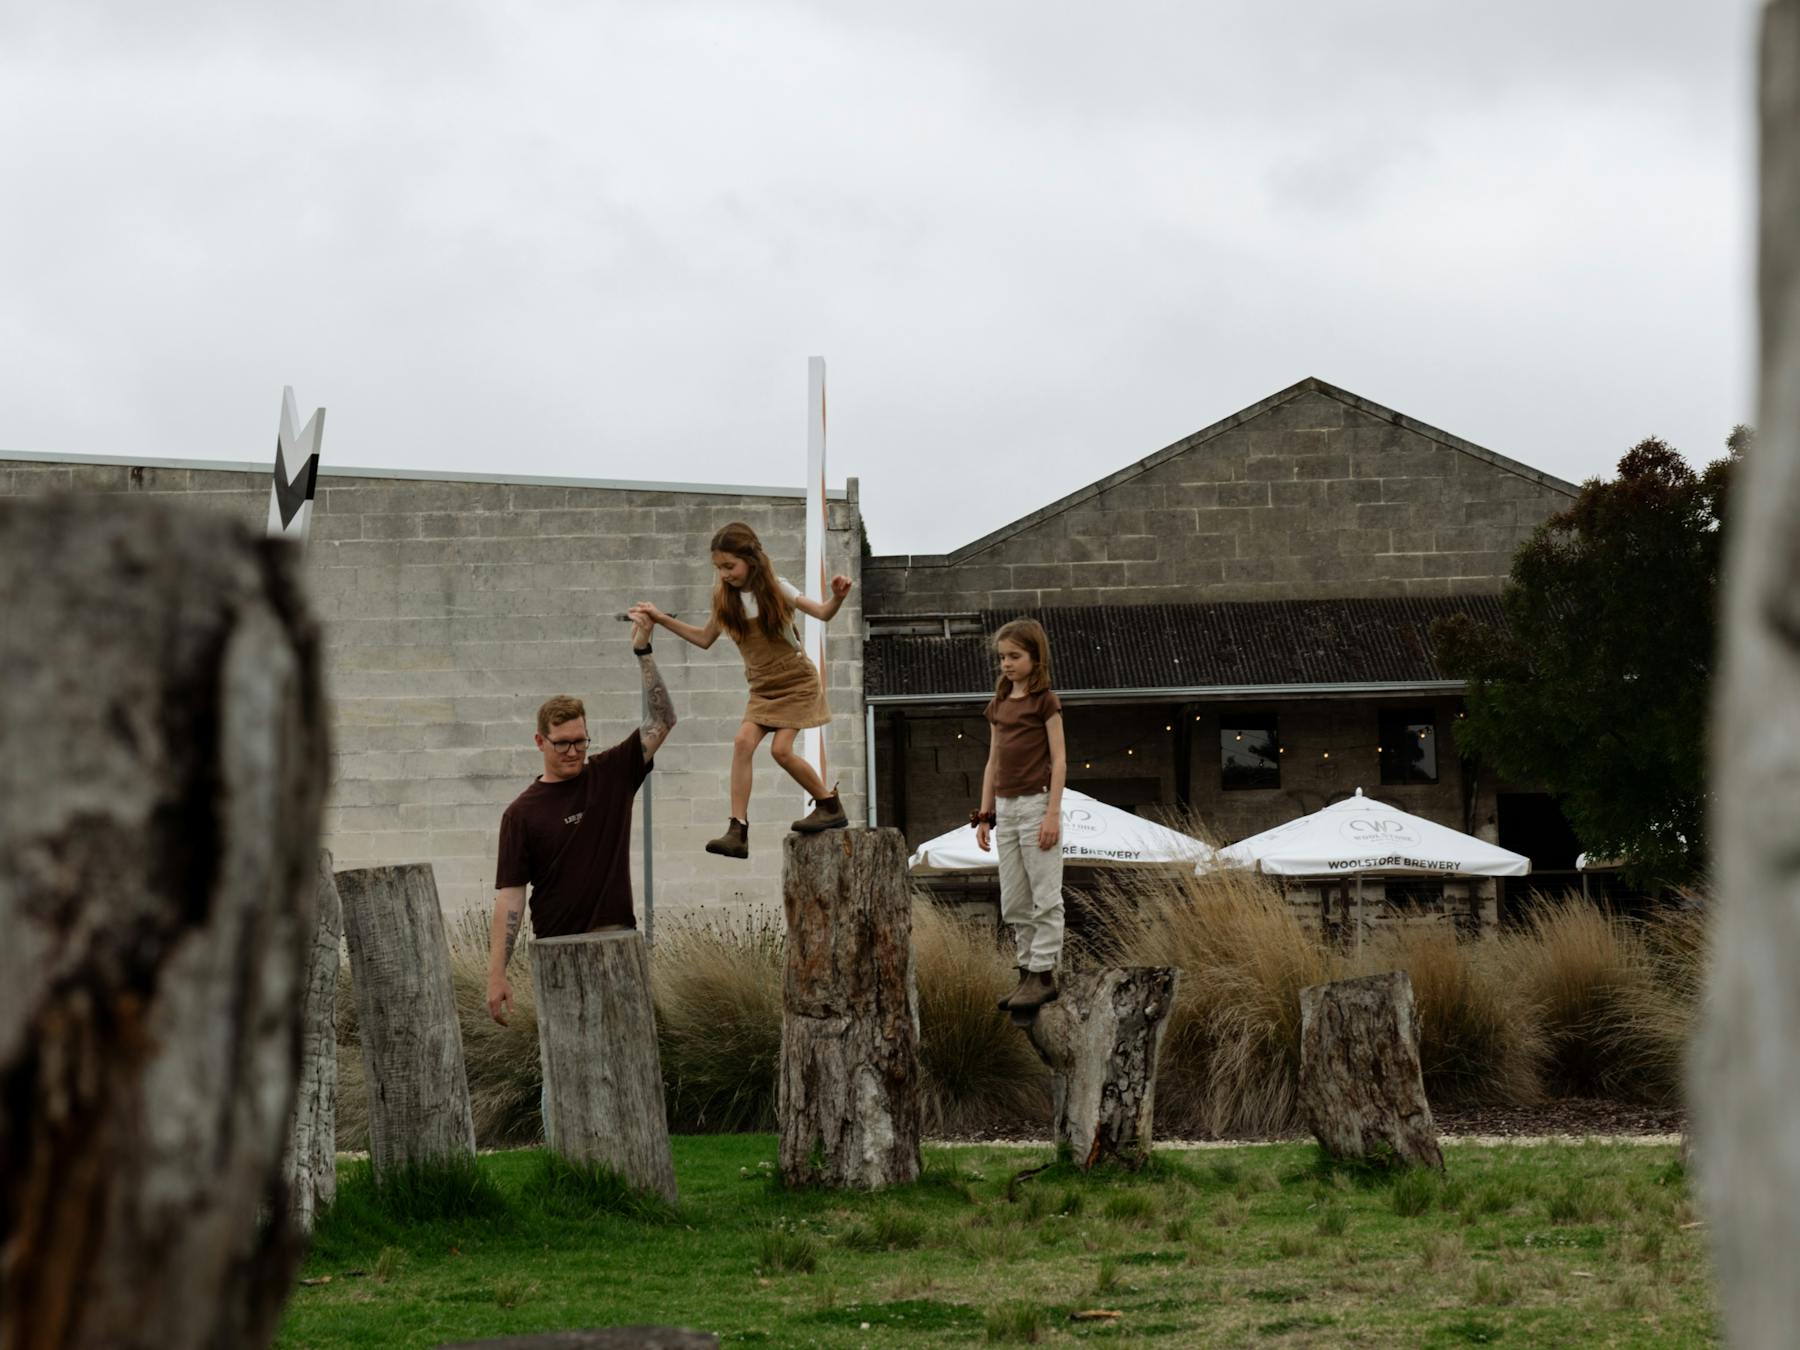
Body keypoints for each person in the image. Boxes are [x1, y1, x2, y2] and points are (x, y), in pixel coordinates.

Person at [484, 610, 675, 1025]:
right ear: (540, 741)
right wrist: (497, 974)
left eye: (580, 742)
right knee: (565, 1057)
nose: (573, 752)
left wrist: (643, 650)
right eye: (562, 744)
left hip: (618, 941)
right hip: (557, 951)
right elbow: (511, 896)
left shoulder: (611, 774)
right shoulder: (520, 814)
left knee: (628, 1050)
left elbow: (662, 720)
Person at [629, 520, 851, 860]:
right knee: (742, 742)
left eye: (729, 566)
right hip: (761, 685)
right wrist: (661, 619)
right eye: (719, 568)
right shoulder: (726, 600)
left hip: (795, 682)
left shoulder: (777, 589)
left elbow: (822, 613)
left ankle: (828, 805)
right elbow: (704, 639)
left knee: (781, 751)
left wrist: (836, 597)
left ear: (751, 560)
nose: (724, 574)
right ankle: (738, 829)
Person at [972, 618, 1068, 1014]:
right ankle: (1026, 970)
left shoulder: (1045, 701)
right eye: (1002, 658)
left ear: (1034, 657)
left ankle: (1044, 974)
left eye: (1014, 656)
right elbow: (992, 761)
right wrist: (984, 815)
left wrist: (1052, 814)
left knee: (1044, 894)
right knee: (1014, 898)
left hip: (1036, 804)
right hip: (1006, 808)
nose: (1006, 664)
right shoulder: (998, 705)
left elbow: (1059, 760)